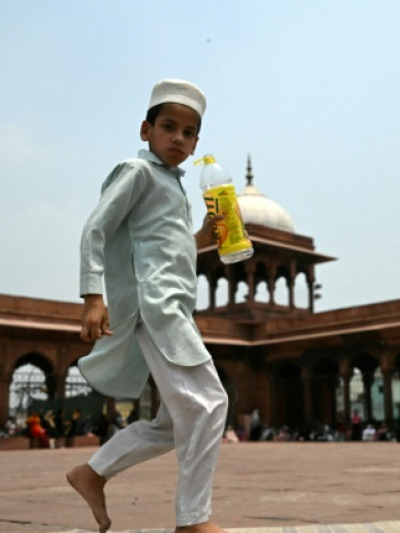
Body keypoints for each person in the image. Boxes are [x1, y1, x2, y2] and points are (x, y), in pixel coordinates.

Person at [65, 79, 230, 533]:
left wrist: (203, 239)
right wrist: (92, 297)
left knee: (179, 420)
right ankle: (192, 522)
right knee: (210, 403)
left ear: (197, 141)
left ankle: (93, 472)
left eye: (189, 132)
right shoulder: (136, 172)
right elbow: (95, 229)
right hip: (155, 305)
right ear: (146, 130)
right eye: (169, 127)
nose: (178, 138)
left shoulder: (176, 185)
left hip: (174, 304)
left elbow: (168, 249)